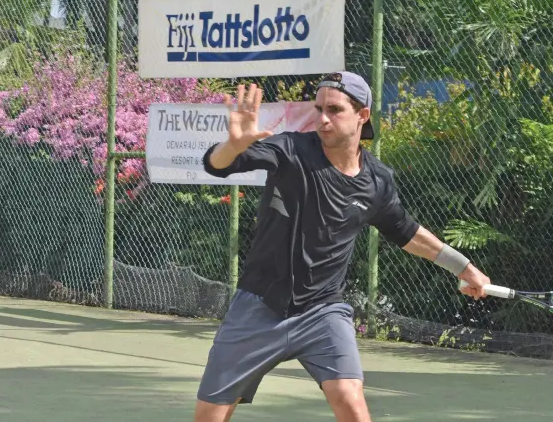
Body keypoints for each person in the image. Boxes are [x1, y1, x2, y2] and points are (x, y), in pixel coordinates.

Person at [195, 71, 492, 422]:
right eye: (319, 108)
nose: (322, 118)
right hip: (260, 305)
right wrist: (233, 145)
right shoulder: (290, 150)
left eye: (334, 110)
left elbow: (407, 232)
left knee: (351, 400)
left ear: (362, 115)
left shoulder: (377, 181)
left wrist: (463, 266)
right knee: (210, 417)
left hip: (323, 312)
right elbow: (218, 165)